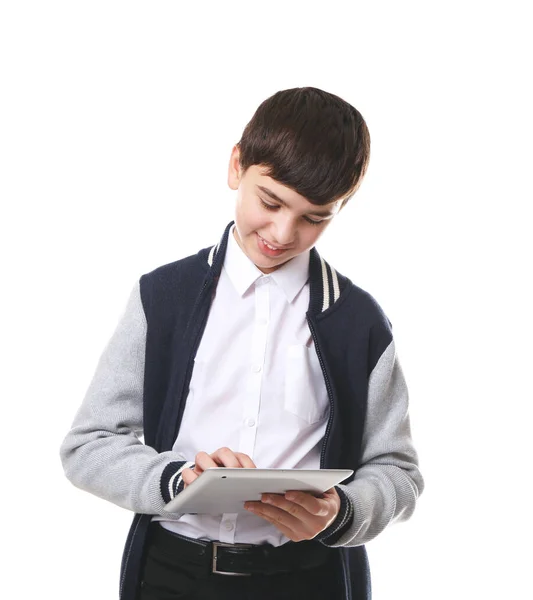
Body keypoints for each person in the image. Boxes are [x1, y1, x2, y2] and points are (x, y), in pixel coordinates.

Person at [60, 86, 424, 600]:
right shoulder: (163, 299)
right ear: (236, 166)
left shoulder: (358, 321)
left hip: (310, 580)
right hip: (172, 576)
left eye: (314, 217)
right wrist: (178, 479)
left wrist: (340, 511)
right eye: (270, 202)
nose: (282, 231)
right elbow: (88, 445)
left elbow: (398, 472)